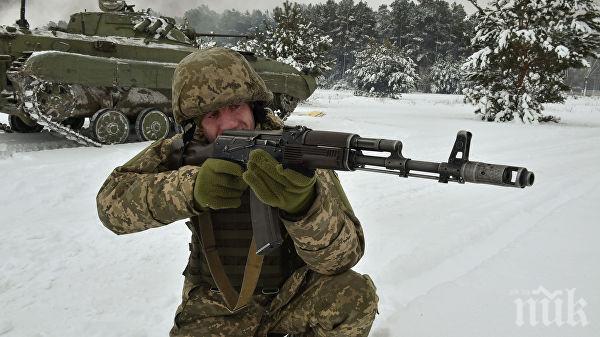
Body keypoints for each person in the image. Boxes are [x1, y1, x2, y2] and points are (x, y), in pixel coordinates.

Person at [96, 47, 378, 337]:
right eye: (212, 114)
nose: (229, 123)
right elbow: (110, 206)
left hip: (293, 297)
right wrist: (191, 188)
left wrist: (304, 207)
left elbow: (343, 258)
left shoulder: (297, 152)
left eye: (236, 107)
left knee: (354, 295)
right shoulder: (183, 152)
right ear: (195, 125)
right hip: (216, 305)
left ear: (253, 105)